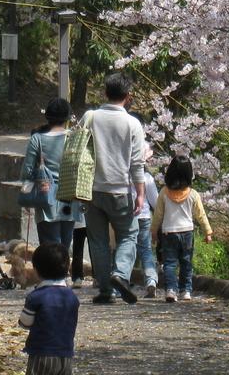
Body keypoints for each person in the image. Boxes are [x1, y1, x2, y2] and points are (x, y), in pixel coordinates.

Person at [84, 72, 146, 305]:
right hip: (120, 190)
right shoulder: (133, 124)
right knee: (129, 234)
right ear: (128, 97)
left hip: (91, 189)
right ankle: (120, 274)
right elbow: (137, 163)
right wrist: (140, 193)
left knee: (98, 240)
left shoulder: (91, 117)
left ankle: (105, 291)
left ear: (105, 93)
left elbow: (77, 147)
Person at [151, 154, 213, 302]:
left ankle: (171, 290)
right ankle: (185, 291)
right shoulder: (193, 194)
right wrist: (208, 232)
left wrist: (153, 231)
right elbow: (201, 215)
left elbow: (158, 215)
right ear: (189, 174)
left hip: (168, 233)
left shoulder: (164, 193)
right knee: (186, 262)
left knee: (170, 263)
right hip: (187, 233)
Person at [21, 98, 77, 251]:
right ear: (67, 117)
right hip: (70, 197)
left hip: (46, 196)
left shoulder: (37, 139)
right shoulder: (75, 137)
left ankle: (53, 274)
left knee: (50, 244)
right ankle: (63, 272)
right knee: (65, 243)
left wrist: (27, 196)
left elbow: (27, 171)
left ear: (48, 116)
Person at [18, 242, 80, 375]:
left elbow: (25, 323)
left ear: (36, 269)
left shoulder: (36, 296)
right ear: (67, 268)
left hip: (41, 353)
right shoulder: (72, 297)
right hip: (66, 354)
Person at [133, 142, 160, 297]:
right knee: (146, 251)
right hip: (143, 216)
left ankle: (121, 281)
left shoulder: (123, 175)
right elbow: (155, 202)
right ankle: (150, 280)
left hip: (125, 217)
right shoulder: (147, 177)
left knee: (124, 248)